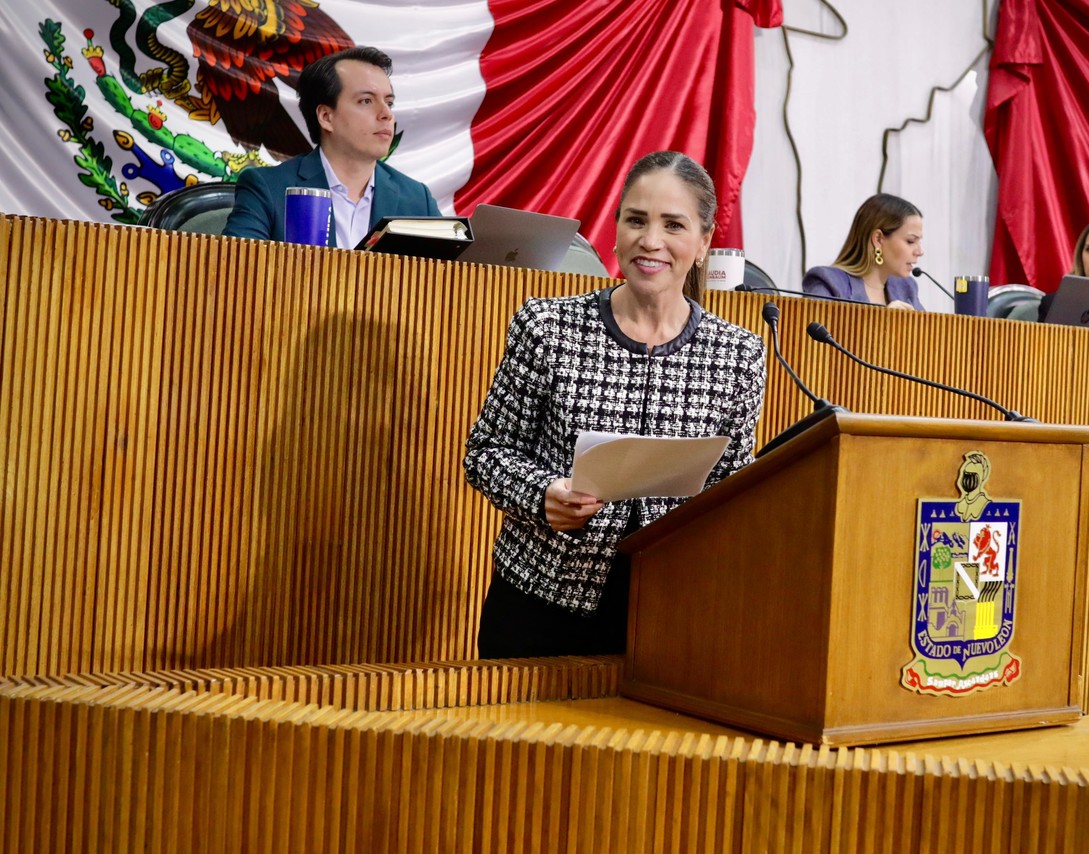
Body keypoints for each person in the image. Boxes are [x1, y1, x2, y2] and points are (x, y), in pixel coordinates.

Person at [463, 151, 766, 659]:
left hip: (669, 611)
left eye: (673, 225)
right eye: (636, 220)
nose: (651, 241)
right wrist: (544, 495)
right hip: (540, 602)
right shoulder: (546, 326)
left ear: (704, 242)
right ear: (616, 229)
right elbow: (486, 452)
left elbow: (733, 493)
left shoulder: (739, 355)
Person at [222, 46, 440, 248]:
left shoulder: (417, 200)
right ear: (326, 117)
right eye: (366, 101)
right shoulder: (268, 189)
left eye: (389, 102)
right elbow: (237, 271)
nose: (387, 114)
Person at [802, 193, 926, 310]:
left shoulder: (906, 287)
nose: (920, 252)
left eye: (919, 242)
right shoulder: (828, 282)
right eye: (911, 241)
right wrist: (882, 322)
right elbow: (810, 332)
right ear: (878, 239)